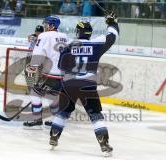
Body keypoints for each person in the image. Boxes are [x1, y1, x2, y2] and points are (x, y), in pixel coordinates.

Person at [49, 11, 119, 157]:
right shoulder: (97, 43)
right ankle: (103, 142)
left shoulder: (67, 45)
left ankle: (54, 136)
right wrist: (112, 23)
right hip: (88, 85)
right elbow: (112, 37)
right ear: (89, 32)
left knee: (63, 112)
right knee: (95, 114)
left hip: (69, 84)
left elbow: (61, 67)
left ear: (78, 31)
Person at [23, 15, 68, 128]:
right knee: (52, 96)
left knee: (35, 93)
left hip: (50, 74)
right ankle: (56, 121)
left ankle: (37, 119)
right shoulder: (64, 36)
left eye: (46, 23)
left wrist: (33, 66)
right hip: (62, 74)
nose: (45, 25)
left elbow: (38, 54)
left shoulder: (44, 36)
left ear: (51, 25)